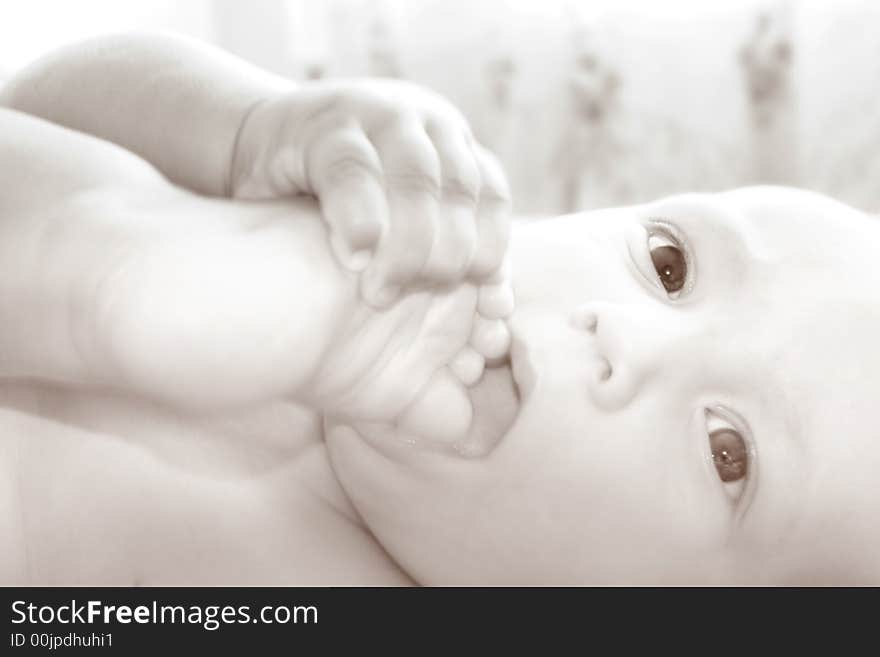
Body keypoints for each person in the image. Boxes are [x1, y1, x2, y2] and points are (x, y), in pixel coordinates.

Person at [2, 34, 879, 585]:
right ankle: (101, 257)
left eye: (728, 451)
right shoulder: (344, 222)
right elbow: (41, 97)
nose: (628, 333)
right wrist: (246, 129)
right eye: (669, 262)